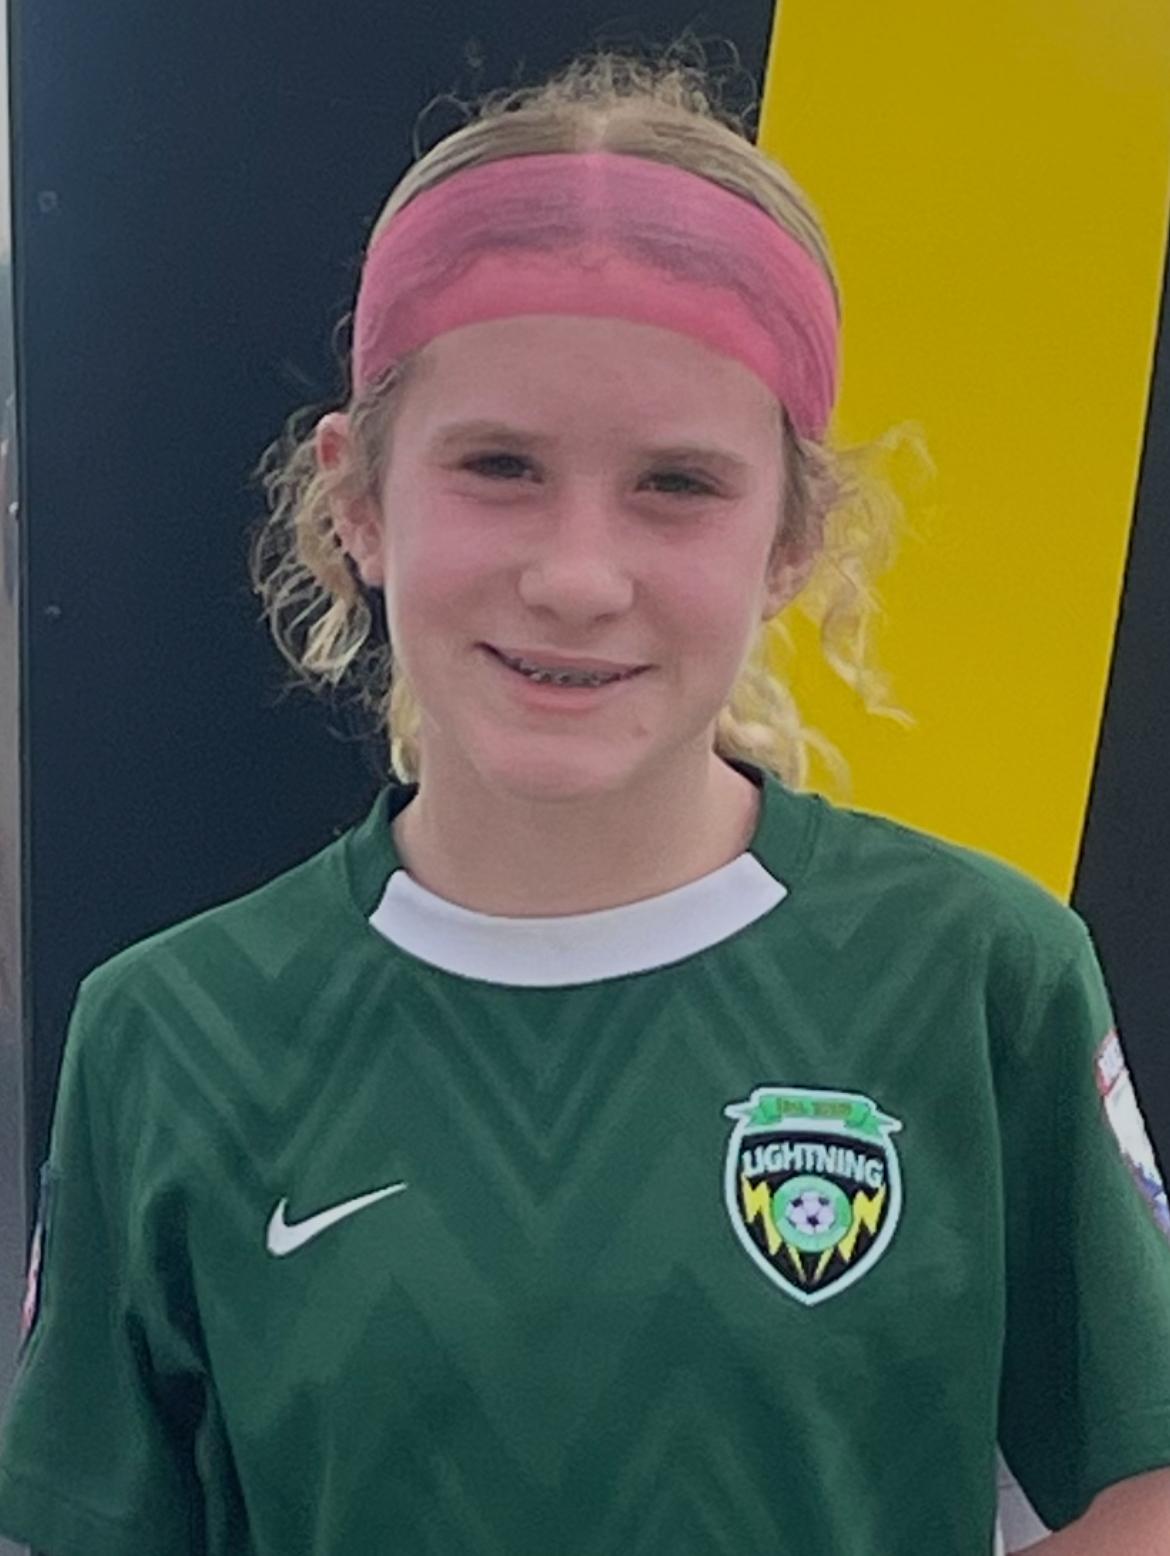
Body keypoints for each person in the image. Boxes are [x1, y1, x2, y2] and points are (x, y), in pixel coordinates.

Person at [2, 43, 1170, 1556]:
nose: (575, 576)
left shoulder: (975, 974)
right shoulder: (171, 1032)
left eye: (676, 484)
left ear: (790, 539)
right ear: (358, 500)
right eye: (498, 465)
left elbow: (1145, 1489)